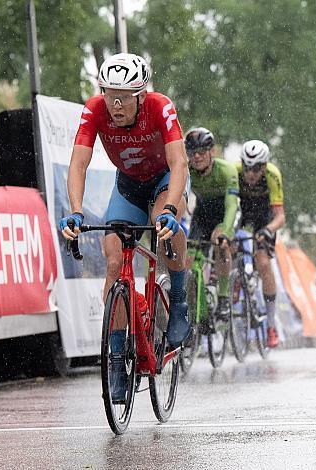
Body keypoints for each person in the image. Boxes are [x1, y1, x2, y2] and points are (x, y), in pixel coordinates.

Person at [59, 53, 189, 401]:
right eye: (108, 94)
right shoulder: (95, 109)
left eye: (124, 97)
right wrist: (75, 211)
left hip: (164, 181)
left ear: (141, 96)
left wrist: (172, 208)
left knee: (166, 231)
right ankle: (117, 359)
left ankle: (178, 301)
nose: (114, 104)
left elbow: (179, 163)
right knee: (114, 260)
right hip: (128, 185)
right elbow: (79, 163)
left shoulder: (161, 106)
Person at [235, 140, 285, 348]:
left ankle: (271, 326)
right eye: (247, 167)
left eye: (256, 169)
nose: (250, 173)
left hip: (265, 217)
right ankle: (234, 278)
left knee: (263, 263)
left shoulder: (272, 175)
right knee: (227, 243)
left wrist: (267, 230)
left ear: (264, 166)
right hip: (244, 212)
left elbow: (280, 217)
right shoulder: (235, 171)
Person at [185, 127, 239, 319]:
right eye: (192, 153)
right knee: (189, 263)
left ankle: (223, 296)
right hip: (201, 216)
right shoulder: (188, 170)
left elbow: (232, 205)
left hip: (224, 215)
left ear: (212, 151)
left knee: (220, 244)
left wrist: (226, 230)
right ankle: (196, 314)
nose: (196, 157)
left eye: (201, 152)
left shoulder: (226, 171)